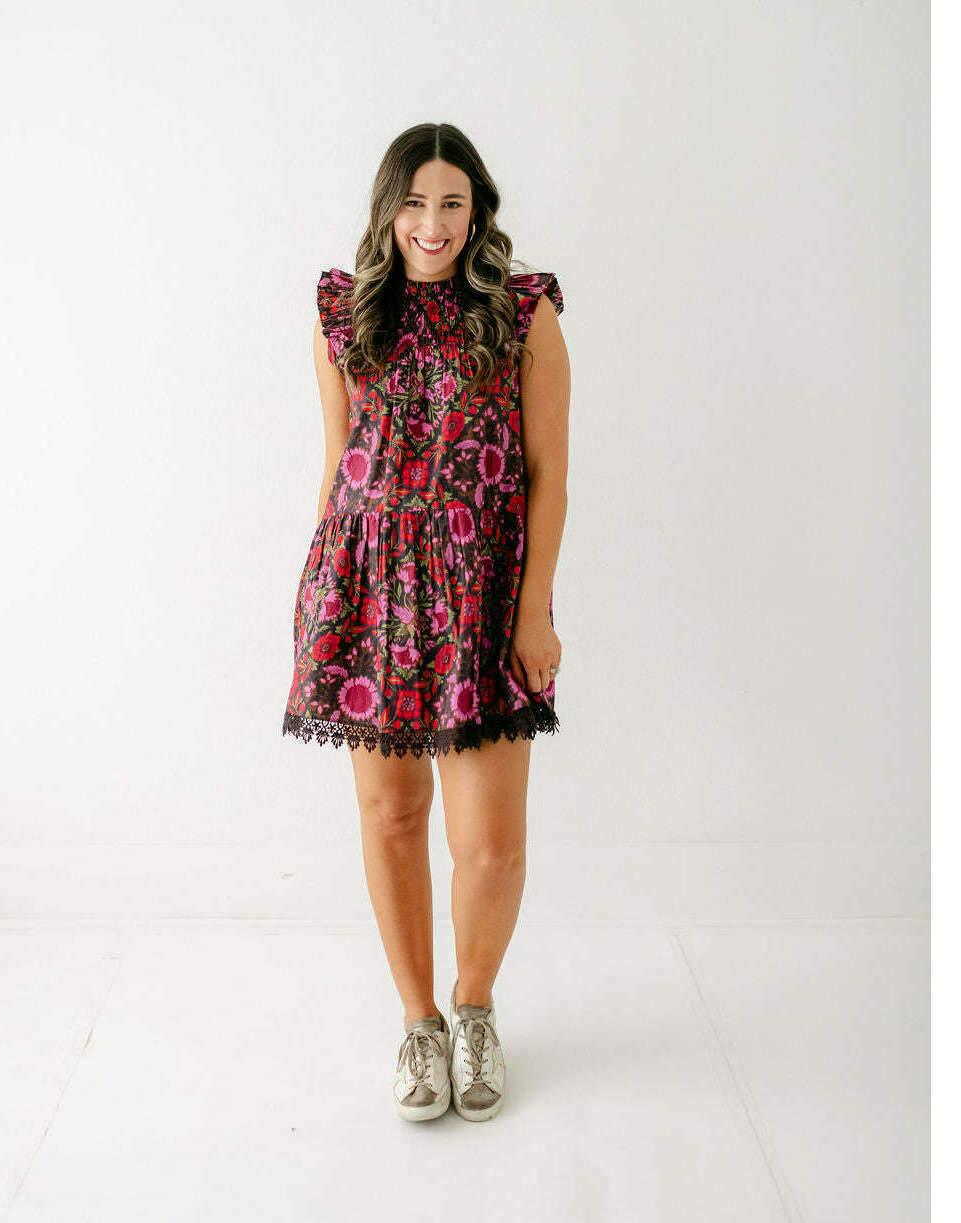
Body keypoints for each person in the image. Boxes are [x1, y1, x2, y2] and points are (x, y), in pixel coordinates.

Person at [282, 123, 570, 1122]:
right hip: (365, 592)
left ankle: (474, 1005)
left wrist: (533, 609)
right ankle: (418, 1022)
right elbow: (338, 464)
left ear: (476, 209)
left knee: (489, 844)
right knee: (392, 815)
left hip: (482, 598)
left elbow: (547, 475)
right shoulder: (343, 313)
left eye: (451, 202)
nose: (431, 223)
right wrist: (317, 593)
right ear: (387, 209)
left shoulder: (522, 312)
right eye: (413, 202)